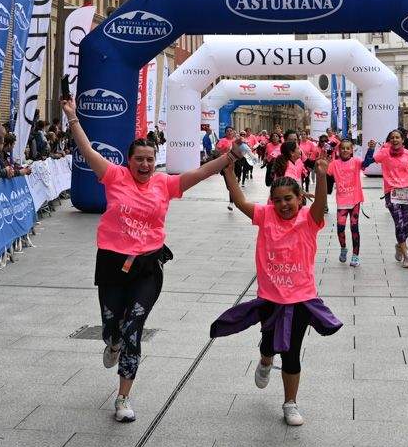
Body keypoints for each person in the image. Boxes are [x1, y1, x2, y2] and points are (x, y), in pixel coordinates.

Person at [63, 94, 231, 423]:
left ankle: (123, 397)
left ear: (156, 161)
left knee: (133, 328)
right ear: (128, 160)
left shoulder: (164, 184)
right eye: (139, 159)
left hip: (147, 266)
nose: (144, 165)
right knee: (113, 328)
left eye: (149, 159)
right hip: (112, 263)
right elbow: (87, 151)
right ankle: (111, 342)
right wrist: (72, 117)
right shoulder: (113, 177)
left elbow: (199, 174)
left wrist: (226, 158)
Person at [210, 156, 342, 427]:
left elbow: (321, 204)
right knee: (269, 343)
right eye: (278, 200)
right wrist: (229, 173)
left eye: (288, 199)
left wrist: (321, 175)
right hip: (269, 298)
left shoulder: (309, 219)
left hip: (301, 299)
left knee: (292, 352)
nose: (283, 204)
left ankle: (290, 403)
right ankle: (265, 360)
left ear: (299, 199)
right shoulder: (265, 215)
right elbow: (240, 201)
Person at [376, 131, 408, 269]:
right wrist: (384, 146)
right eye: (392, 138)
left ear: (403, 140)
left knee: (406, 225)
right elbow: (376, 157)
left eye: (397, 137)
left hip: (407, 190)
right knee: (399, 222)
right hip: (391, 191)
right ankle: (406, 255)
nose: (395, 140)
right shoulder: (384, 153)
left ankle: (399, 245)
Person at [328, 138, 375, 267]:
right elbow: (326, 175)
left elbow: (366, 163)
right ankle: (343, 248)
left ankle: (355, 255)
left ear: (352, 150)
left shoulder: (356, 161)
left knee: (354, 228)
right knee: (340, 229)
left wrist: (371, 149)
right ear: (339, 150)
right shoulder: (334, 164)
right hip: (342, 201)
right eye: (342, 148)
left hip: (354, 200)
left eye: (347, 148)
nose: (345, 150)